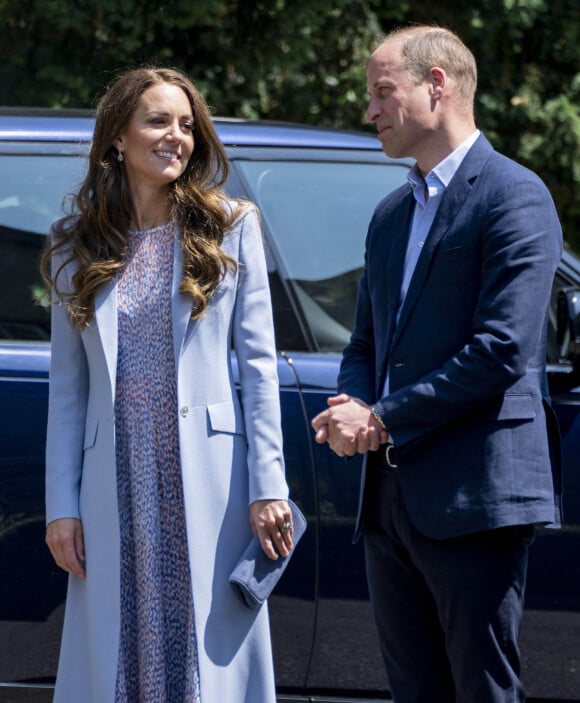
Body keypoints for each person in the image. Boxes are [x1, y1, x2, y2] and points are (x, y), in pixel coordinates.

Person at [311, 25, 562, 703]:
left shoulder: (515, 196)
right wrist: (353, 408)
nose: (371, 110)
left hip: (476, 498)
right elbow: (365, 344)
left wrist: (382, 417)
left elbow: (502, 348)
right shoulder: (392, 213)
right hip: (389, 505)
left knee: (481, 692)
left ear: (438, 84)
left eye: (382, 91)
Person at [42, 66, 293, 703]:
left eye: (186, 124)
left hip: (207, 476)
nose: (175, 136)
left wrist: (270, 488)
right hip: (114, 482)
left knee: (207, 659)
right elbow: (67, 391)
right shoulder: (75, 245)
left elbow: (259, 370)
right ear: (116, 139)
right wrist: (61, 508)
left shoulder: (231, 226)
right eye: (157, 120)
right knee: (116, 653)